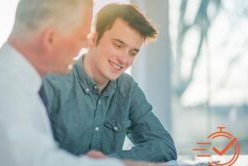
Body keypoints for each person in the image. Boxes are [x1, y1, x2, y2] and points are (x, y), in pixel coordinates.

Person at [0, 0, 144, 166]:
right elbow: (37, 162)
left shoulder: (17, 84)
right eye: (81, 37)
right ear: (50, 39)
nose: (87, 44)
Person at [40, 3, 177, 162]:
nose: (124, 60)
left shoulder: (128, 89)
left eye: (133, 53)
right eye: (118, 45)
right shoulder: (54, 81)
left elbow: (164, 147)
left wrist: (110, 161)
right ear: (93, 38)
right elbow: (32, 153)